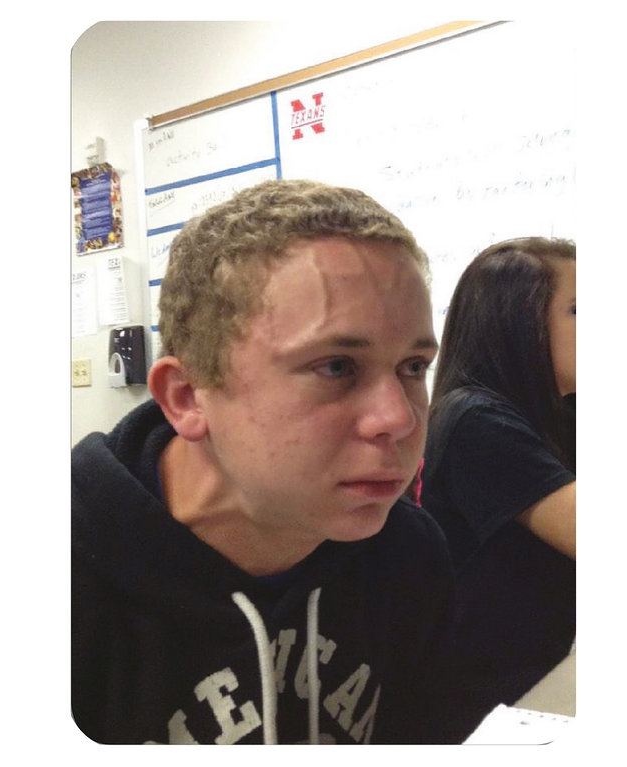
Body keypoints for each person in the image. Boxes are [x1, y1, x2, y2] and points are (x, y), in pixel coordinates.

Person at [72, 179, 483, 744]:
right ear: (187, 398)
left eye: (413, 367)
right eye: (337, 367)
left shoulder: (407, 556)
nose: (400, 419)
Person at [420, 236, 576, 711]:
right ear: (519, 322)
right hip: (488, 704)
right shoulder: (476, 420)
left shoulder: (561, 411)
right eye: (579, 310)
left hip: (545, 677)